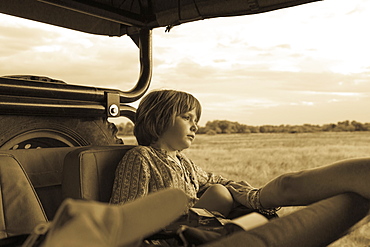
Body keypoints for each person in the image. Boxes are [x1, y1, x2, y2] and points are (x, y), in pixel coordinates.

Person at [109, 89, 369, 245]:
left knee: (229, 196)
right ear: (159, 120)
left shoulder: (183, 162)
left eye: (196, 120)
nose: (195, 126)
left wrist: (253, 196)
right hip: (163, 235)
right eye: (186, 118)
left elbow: (215, 179)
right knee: (222, 195)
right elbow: (123, 217)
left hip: (195, 225)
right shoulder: (141, 157)